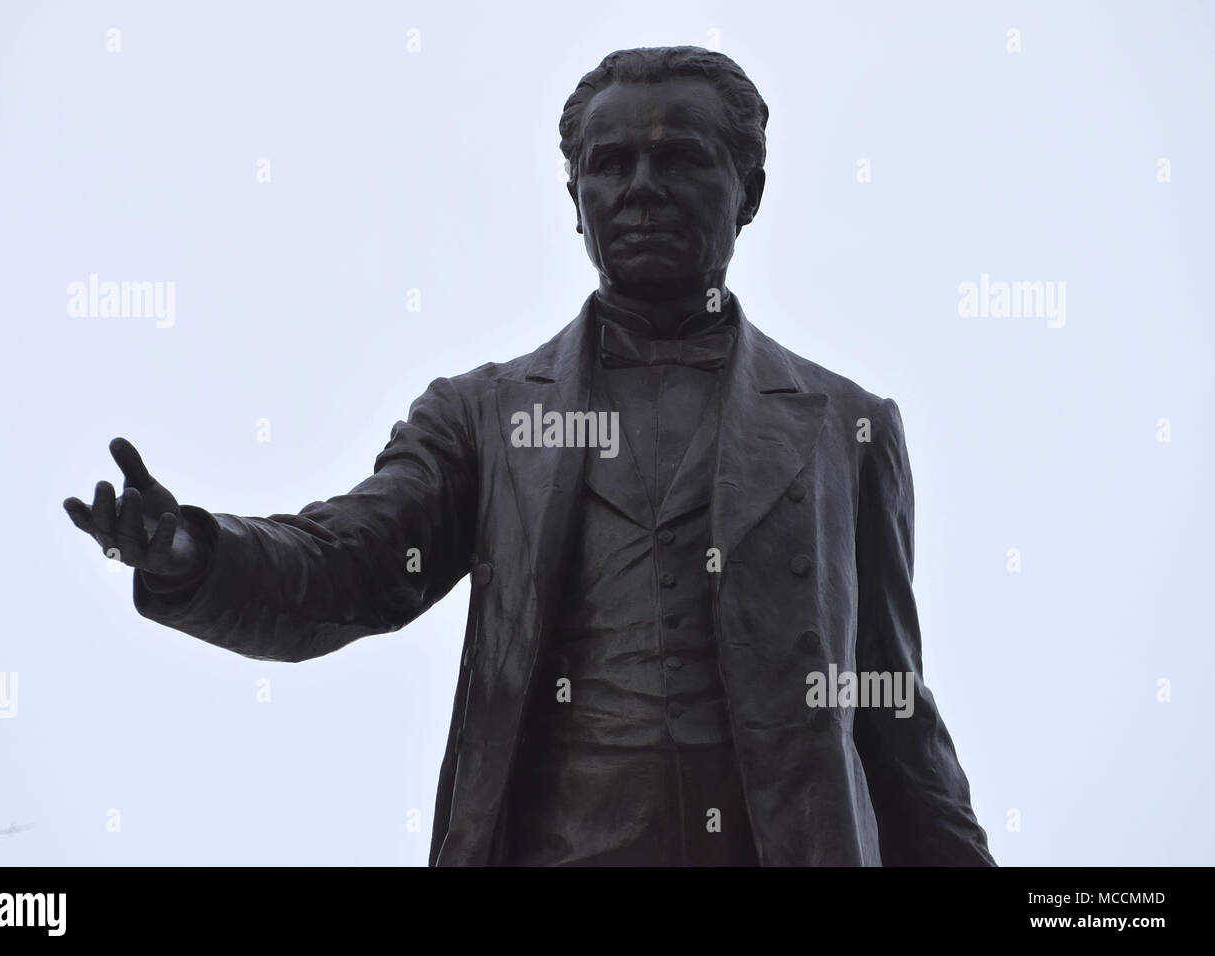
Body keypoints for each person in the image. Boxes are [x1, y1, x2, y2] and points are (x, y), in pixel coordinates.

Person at [64, 46, 995, 867]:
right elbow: (350, 563)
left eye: (679, 159)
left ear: (748, 190)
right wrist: (199, 551)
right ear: (574, 198)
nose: (639, 188)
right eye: (609, 165)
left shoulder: (846, 426)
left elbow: (893, 709)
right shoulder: (486, 414)